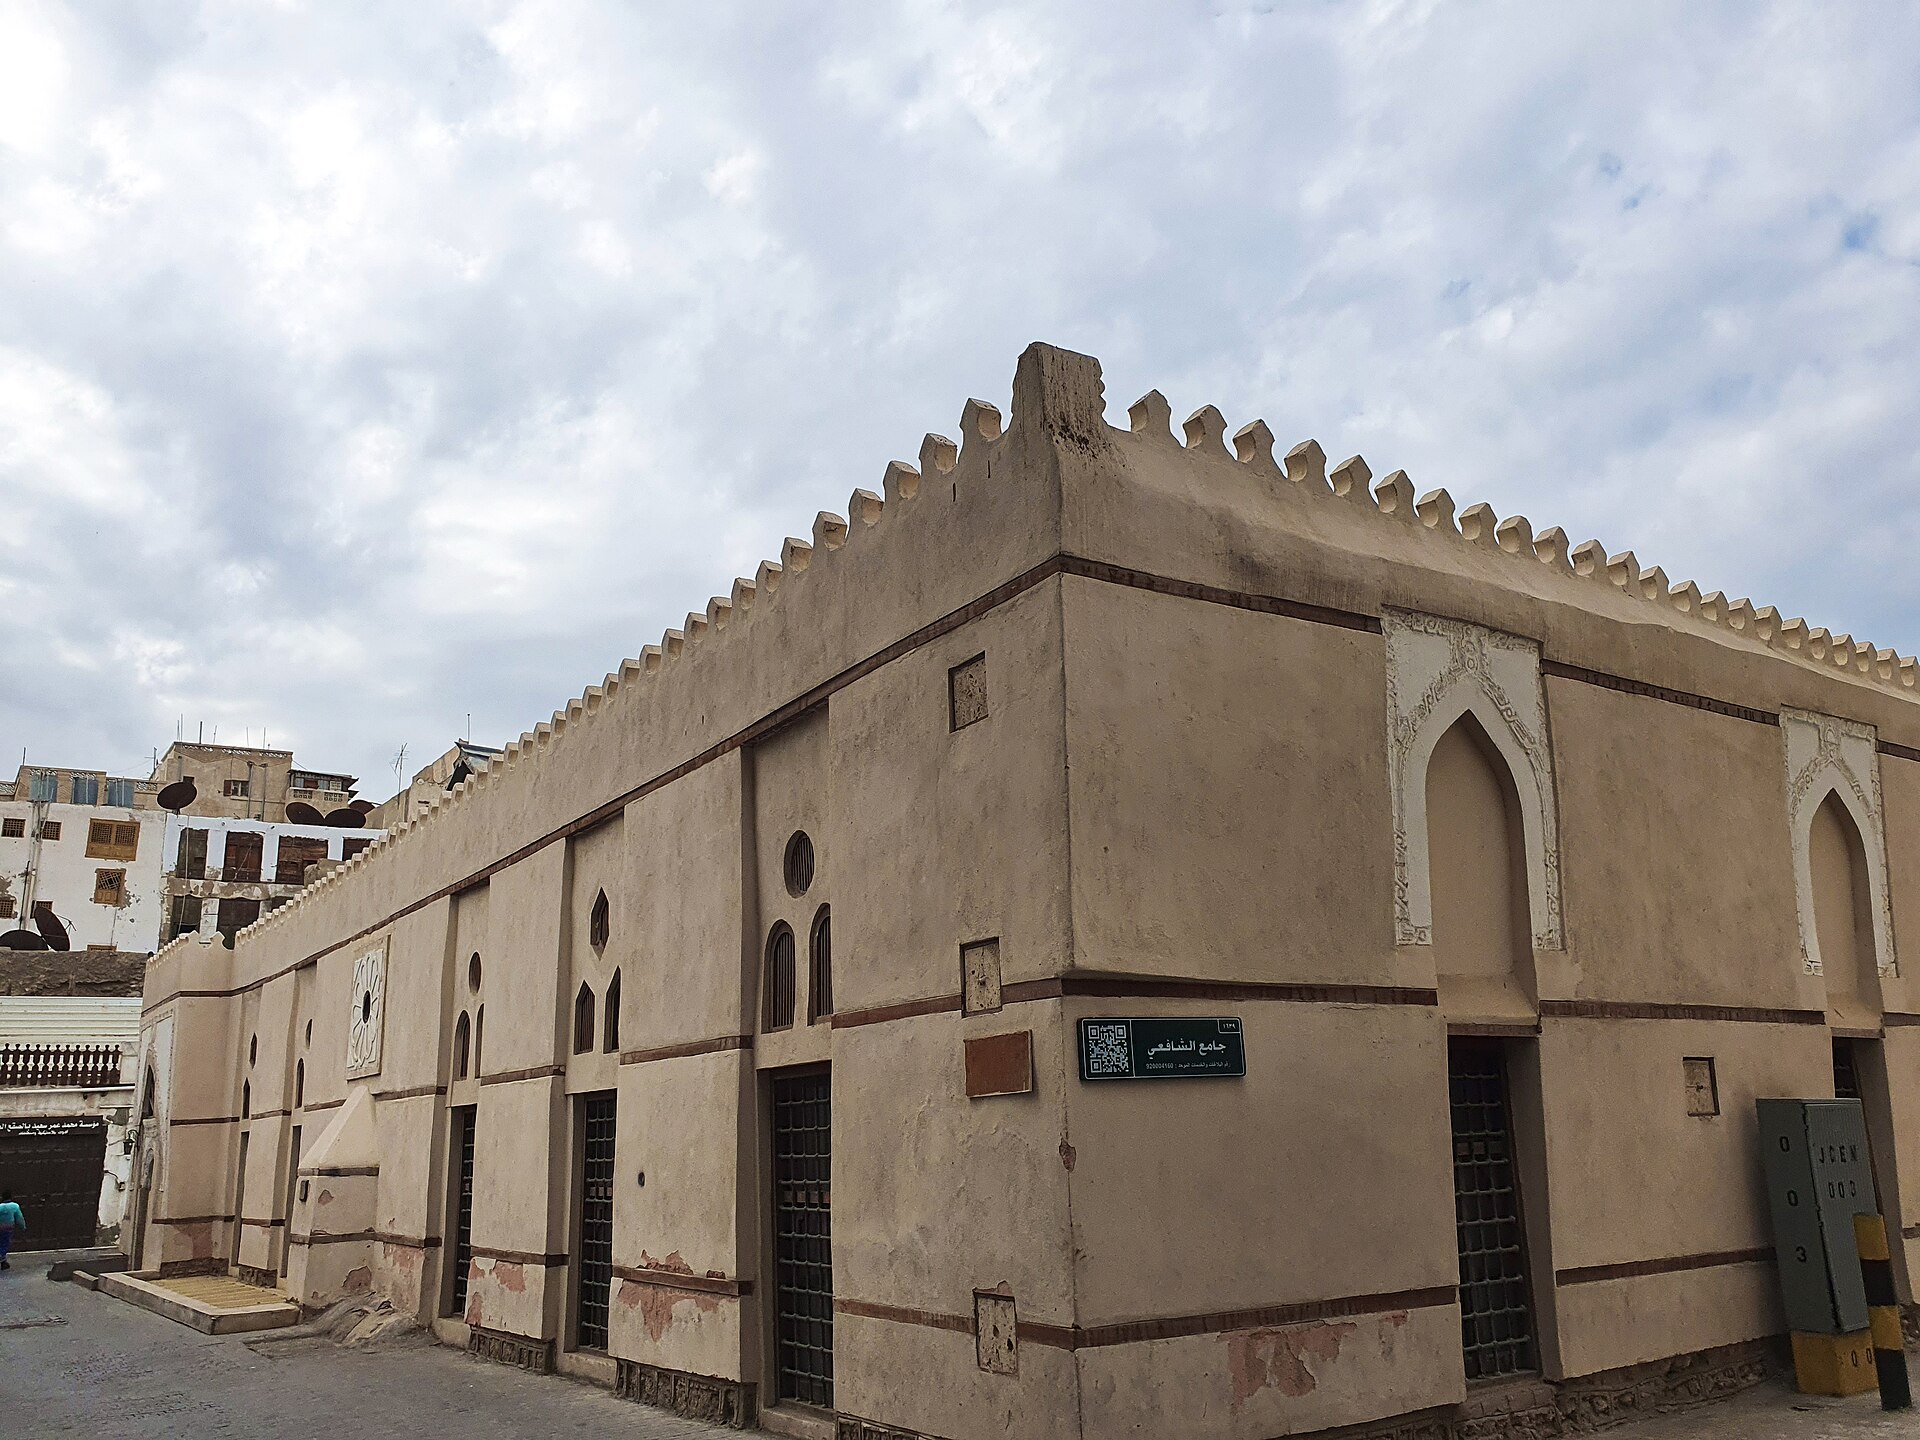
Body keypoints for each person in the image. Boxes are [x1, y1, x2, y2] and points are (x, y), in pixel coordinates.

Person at [0, 1190, 23, 1270]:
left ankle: (3, 1262)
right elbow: (19, 1218)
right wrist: (22, 1227)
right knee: (5, 1243)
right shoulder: (14, 1206)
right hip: (8, 1228)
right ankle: (2, 1260)